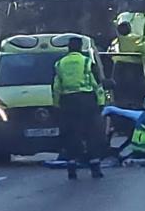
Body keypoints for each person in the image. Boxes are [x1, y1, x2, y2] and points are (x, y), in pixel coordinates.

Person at [53, 37, 106, 180]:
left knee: (71, 134)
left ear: (68, 48)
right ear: (80, 47)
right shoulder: (87, 62)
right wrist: (101, 103)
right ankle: (95, 168)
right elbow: (97, 85)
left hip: (68, 102)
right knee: (91, 134)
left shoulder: (60, 64)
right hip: (87, 101)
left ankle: (72, 168)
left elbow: (56, 87)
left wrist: (57, 105)